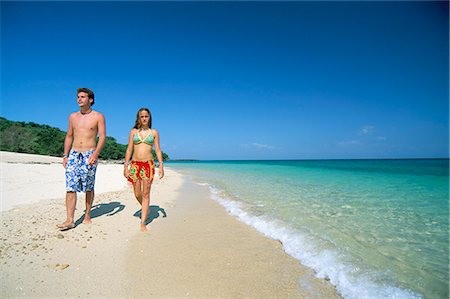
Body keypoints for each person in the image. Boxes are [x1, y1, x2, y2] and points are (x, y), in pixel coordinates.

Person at [56, 88, 106, 230]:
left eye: (83, 97)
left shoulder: (98, 116)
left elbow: (102, 136)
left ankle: (87, 214)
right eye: (78, 97)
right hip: (74, 154)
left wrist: (95, 154)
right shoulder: (72, 117)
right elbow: (69, 136)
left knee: (88, 187)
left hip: (89, 154)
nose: (79, 99)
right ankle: (69, 219)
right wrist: (65, 155)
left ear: (90, 100)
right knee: (70, 187)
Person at [123, 107, 165, 232]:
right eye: (142, 116)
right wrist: (126, 166)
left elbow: (157, 149)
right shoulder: (133, 132)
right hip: (135, 165)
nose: (144, 118)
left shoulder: (154, 133)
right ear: (139, 118)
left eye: (146, 116)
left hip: (148, 165)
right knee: (137, 193)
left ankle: (143, 222)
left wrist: (161, 166)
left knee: (146, 193)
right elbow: (129, 149)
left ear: (149, 117)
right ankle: (145, 207)